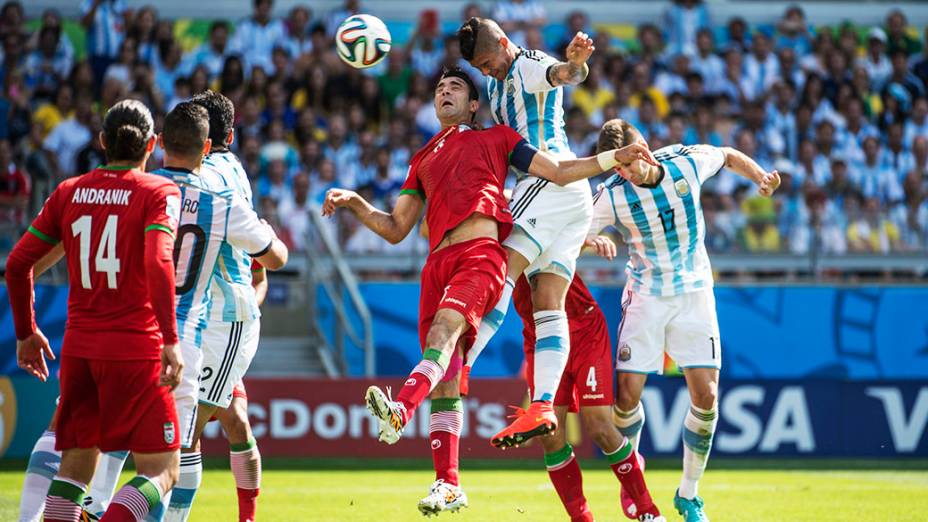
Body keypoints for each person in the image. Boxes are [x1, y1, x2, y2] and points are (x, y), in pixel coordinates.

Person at [322, 68, 653, 516]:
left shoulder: (496, 137)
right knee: (447, 374)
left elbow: (557, 171)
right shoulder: (422, 157)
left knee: (444, 335)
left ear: (474, 104)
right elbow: (397, 228)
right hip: (436, 263)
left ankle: (400, 410)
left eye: (455, 86)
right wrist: (358, 205)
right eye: (438, 87)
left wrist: (611, 159)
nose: (444, 90)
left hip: (479, 254)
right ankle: (448, 484)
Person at [591, 119, 779, 522]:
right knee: (625, 396)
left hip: (694, 293)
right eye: (617, 167)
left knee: (707, 396)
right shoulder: (611, 196)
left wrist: (760, 177)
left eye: (628, 161)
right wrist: (595, 239)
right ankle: (633, 480)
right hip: (645, 296)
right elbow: (575, 230)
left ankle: (689, 495)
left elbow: (727, 155)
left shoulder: (686, 162)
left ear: (643, 146)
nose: (625, 172)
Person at [6, 99, 183, 522]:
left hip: (81, 351)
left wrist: (26, 332)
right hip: (136, 350)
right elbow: (159, 263)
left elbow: (17, 264)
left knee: (75, 467)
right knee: (162, 470)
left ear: (102, 141)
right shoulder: (159, 191)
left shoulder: (69, 191)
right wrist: (171, 340)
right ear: (153, 145)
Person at [456, 16, 600, 447]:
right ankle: (542, 404)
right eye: (479, 68)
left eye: (487, 61)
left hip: (548, 181)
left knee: (500, 269)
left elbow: (563, 74)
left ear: (503, 42)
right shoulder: (496, 85)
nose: (487, 71)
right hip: (571, 197)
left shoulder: (528, 64)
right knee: (547, 300)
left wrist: (575, 65)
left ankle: (461, 364)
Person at [470, 272, 664, 522]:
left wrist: (590, 238)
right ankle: (581, 518)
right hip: (540, 337)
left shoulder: (543, 232)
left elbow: (573, 237)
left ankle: (648, 510)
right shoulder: (497, 238)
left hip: (584, 331)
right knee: (549, 436)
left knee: (599, 428)